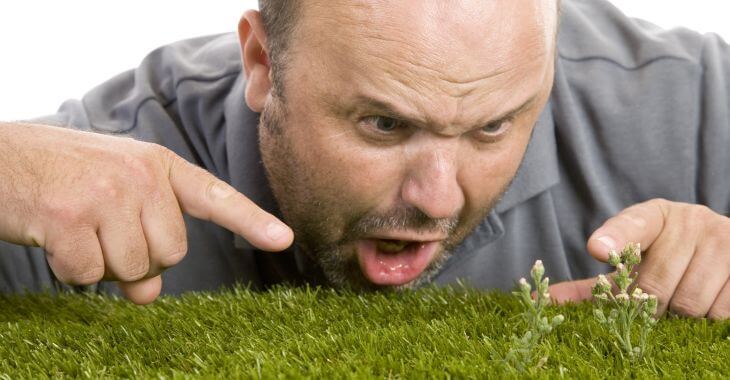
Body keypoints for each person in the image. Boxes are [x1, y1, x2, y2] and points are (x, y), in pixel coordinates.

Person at [0, 0, 727, 320]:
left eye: (494, 126)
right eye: (384, 123)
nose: (439, 199)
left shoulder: (683, 96)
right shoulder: (103, 170)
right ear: (261, 61)